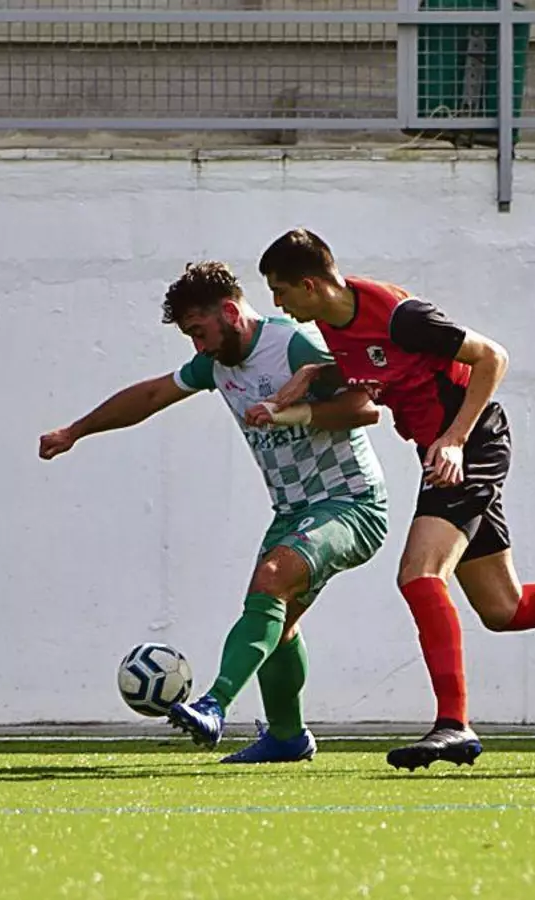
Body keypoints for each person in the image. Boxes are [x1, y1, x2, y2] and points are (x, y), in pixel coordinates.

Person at [254, 228, 535, 771]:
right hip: (442, 451)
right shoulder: (332, 323)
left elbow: (492, 358)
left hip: (470, 442)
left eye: (280, 290)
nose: (278, 304)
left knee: (419, 573)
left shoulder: (400, 314)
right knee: (504, 608)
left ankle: (453, 724)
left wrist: (455, 439)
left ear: (310, 285)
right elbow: (379, 363)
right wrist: (319, 373)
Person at [39, 261, 389, 764]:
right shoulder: (217, 365)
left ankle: (213, 704)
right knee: (276, 627)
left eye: (198, 332)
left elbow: (365, 407)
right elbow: (152, 395)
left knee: (271, 580)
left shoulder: (292, 344)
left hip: (351, 501)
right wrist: (76, 430)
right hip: (293, 512)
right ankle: (288, 737)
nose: (197, 347)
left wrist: (290, 412)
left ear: (229, 311)